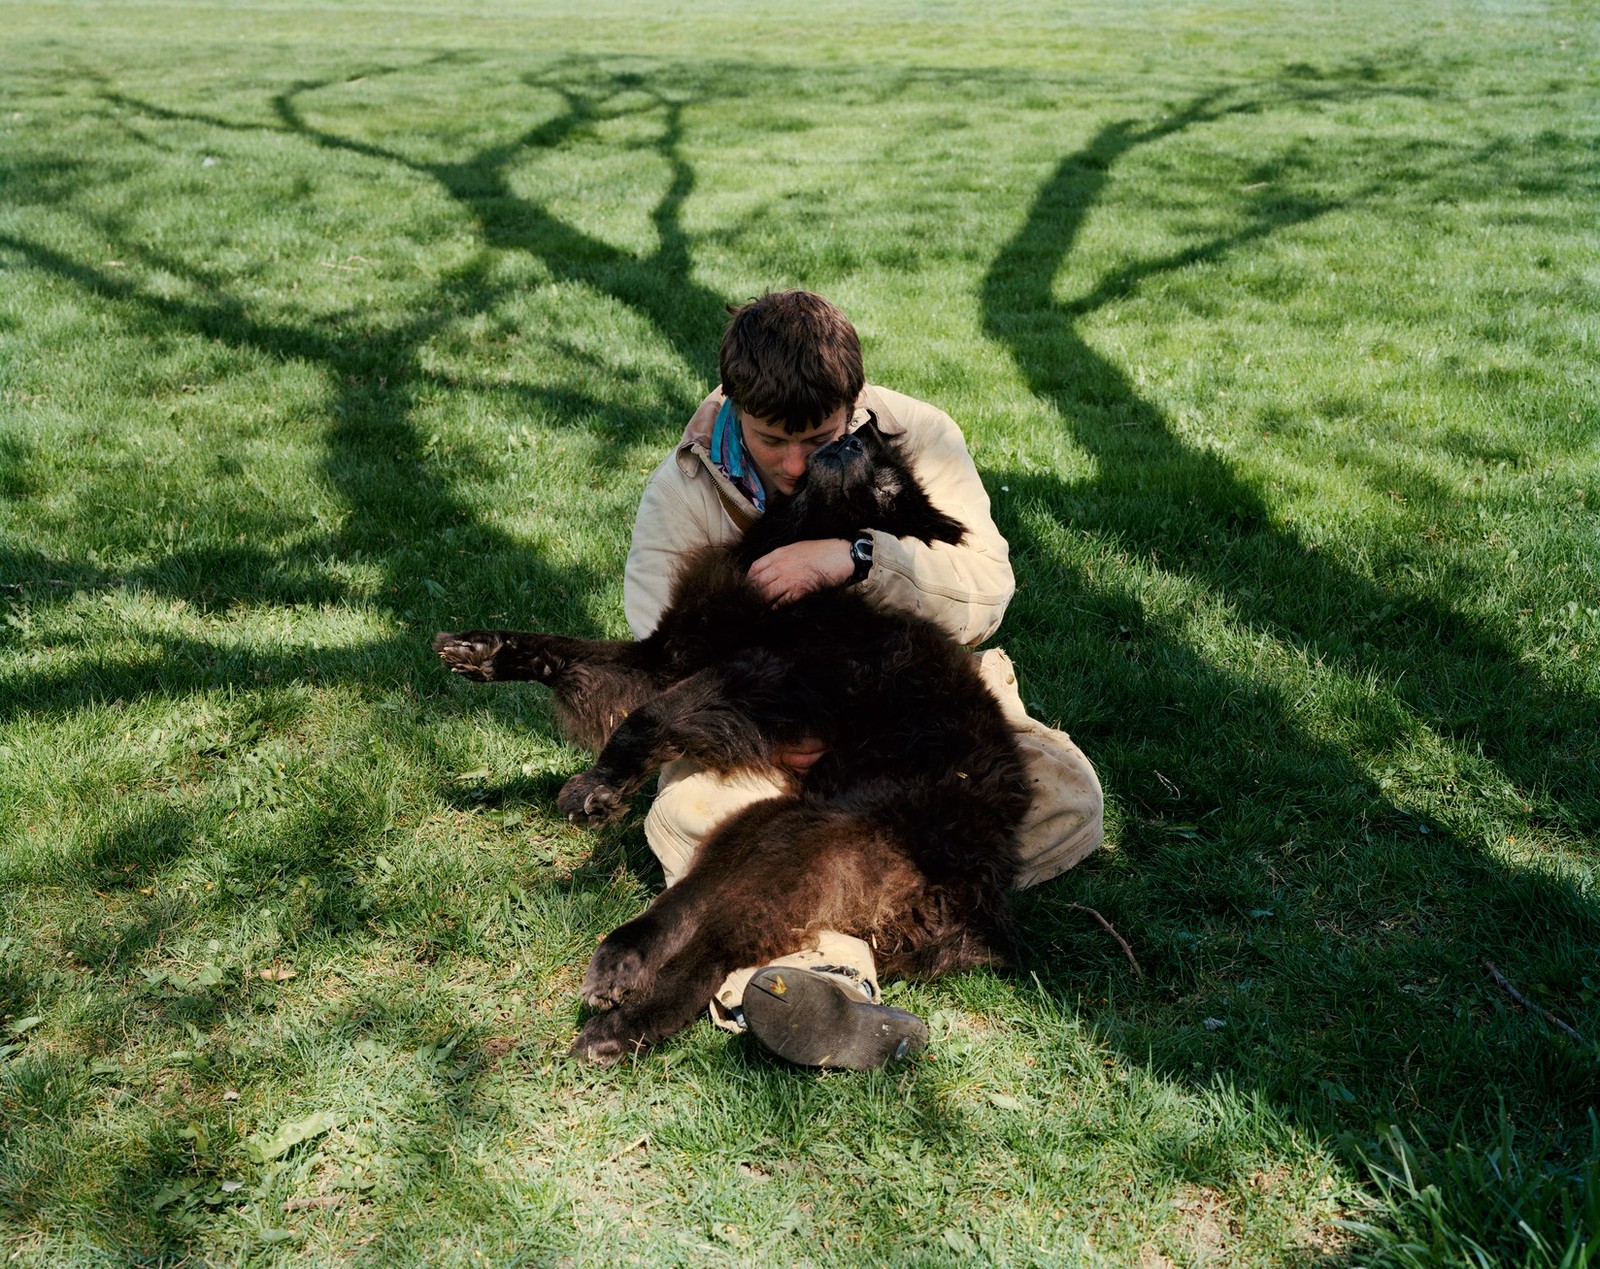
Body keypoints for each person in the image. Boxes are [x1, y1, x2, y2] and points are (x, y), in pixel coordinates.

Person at [623, 290, 1102, 1069]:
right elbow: (663, 659)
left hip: (914, 725)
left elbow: (987, 590)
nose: (795, 464)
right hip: (767, 751)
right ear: (734, 406)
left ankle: (812, 930)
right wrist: (774, 730)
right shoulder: (681, 488)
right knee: (689, 812)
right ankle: (842, 968)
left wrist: (860, 559)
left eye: (817, 437)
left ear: (853, 402)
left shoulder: (924, 437)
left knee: (1069, 795)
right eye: (772, 440)